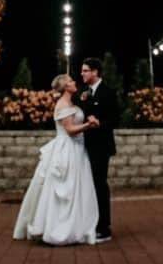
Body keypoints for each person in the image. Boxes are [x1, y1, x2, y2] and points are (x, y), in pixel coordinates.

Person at [12, 74, 100, 246]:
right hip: (68, 149)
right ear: (66, 87)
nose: (75, 82)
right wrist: (89, 125)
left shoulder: (71, 103)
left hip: (77, 149)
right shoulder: (62, 104)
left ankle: (77, 225)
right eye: (71, 81)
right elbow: (70, 130)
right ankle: (59, 228)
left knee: (78, 188)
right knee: (65, 189)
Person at [78, 57, 119, 242]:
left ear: (95, 72)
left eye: (85, 70)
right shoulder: (84, 93)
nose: (82, 73)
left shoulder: (108, 92)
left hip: (101, 147)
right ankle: (91, 222)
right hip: (84, 146)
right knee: (89, 185)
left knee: (99, 184)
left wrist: (100, 123)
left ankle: (104, 227)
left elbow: (116, 119)